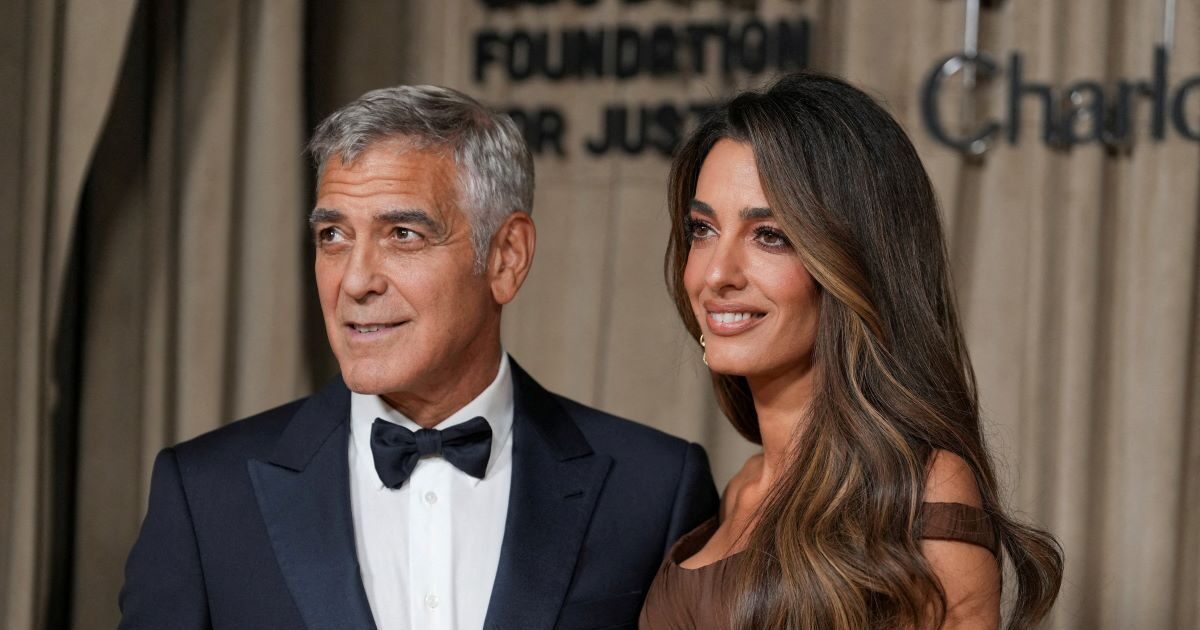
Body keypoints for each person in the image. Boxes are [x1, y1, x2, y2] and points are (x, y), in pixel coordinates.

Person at [119, 85, 719, 630]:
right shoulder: (206, 495)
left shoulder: (654, 491)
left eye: (402, 235)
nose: (356, 281)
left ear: (506, 257)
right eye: (333, 236)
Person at [639, 72, 1063, 629]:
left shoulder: (920, 490)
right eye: (702, 229)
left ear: (853, 264)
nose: (717, 274)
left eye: (770, 235)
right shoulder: (743, 487)